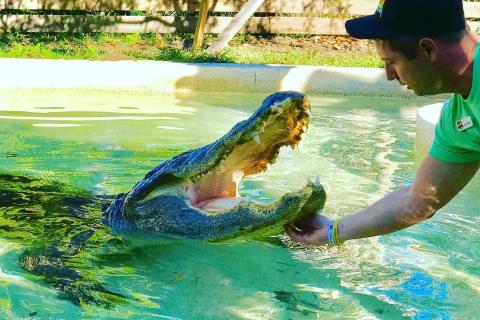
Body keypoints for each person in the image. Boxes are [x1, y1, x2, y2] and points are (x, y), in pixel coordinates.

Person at [285, 0, 480, 246]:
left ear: (428, 50)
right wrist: (333, 231)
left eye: (392, 62)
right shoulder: (459, 122)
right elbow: (417, 201)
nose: (389, 76)